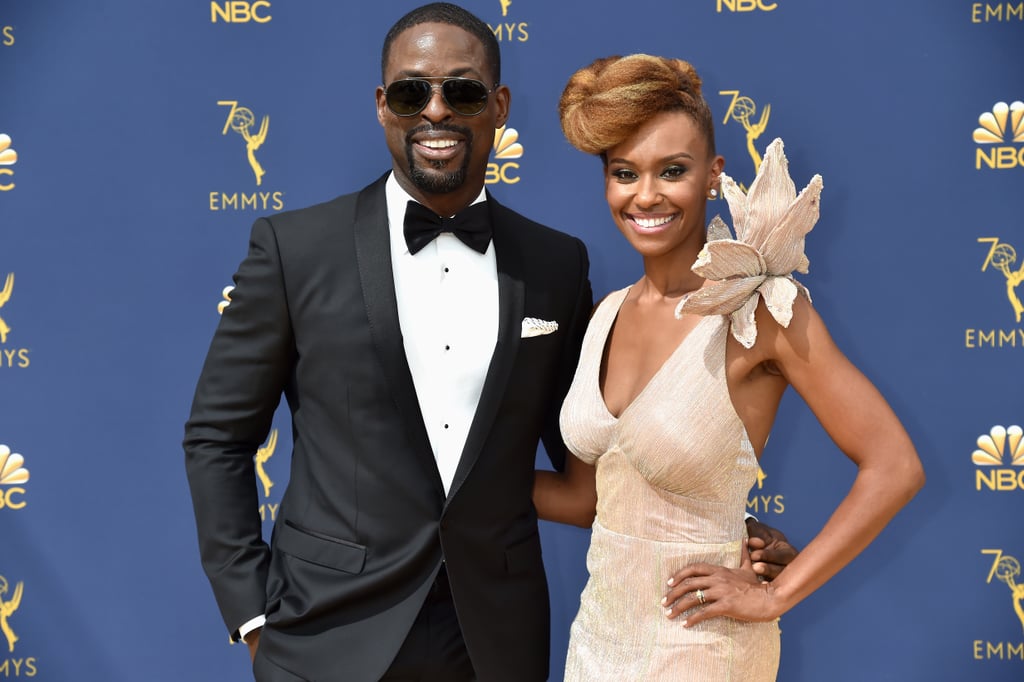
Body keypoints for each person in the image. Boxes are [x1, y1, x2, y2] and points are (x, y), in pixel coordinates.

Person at [184, 4, 796, 678]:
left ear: (498, 105)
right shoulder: (294, 250)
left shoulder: (556, 267)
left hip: (494, 641)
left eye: (464, 90)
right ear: (384, 106)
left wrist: (720, 534)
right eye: (413, 91)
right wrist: (252, 615)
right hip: (324, 634)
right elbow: (217, 437)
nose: (437, 111)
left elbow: (595, 460)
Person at [533, 54, 925, 681]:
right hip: (597, 644)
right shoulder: (605, 314)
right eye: (624, 173)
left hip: (702, 648)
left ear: (713, 175)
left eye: (673, 171)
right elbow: (588, 500)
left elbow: (895, 466)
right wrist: (448, 482)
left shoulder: (762, 309)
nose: (646, 195)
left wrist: (775, 593)